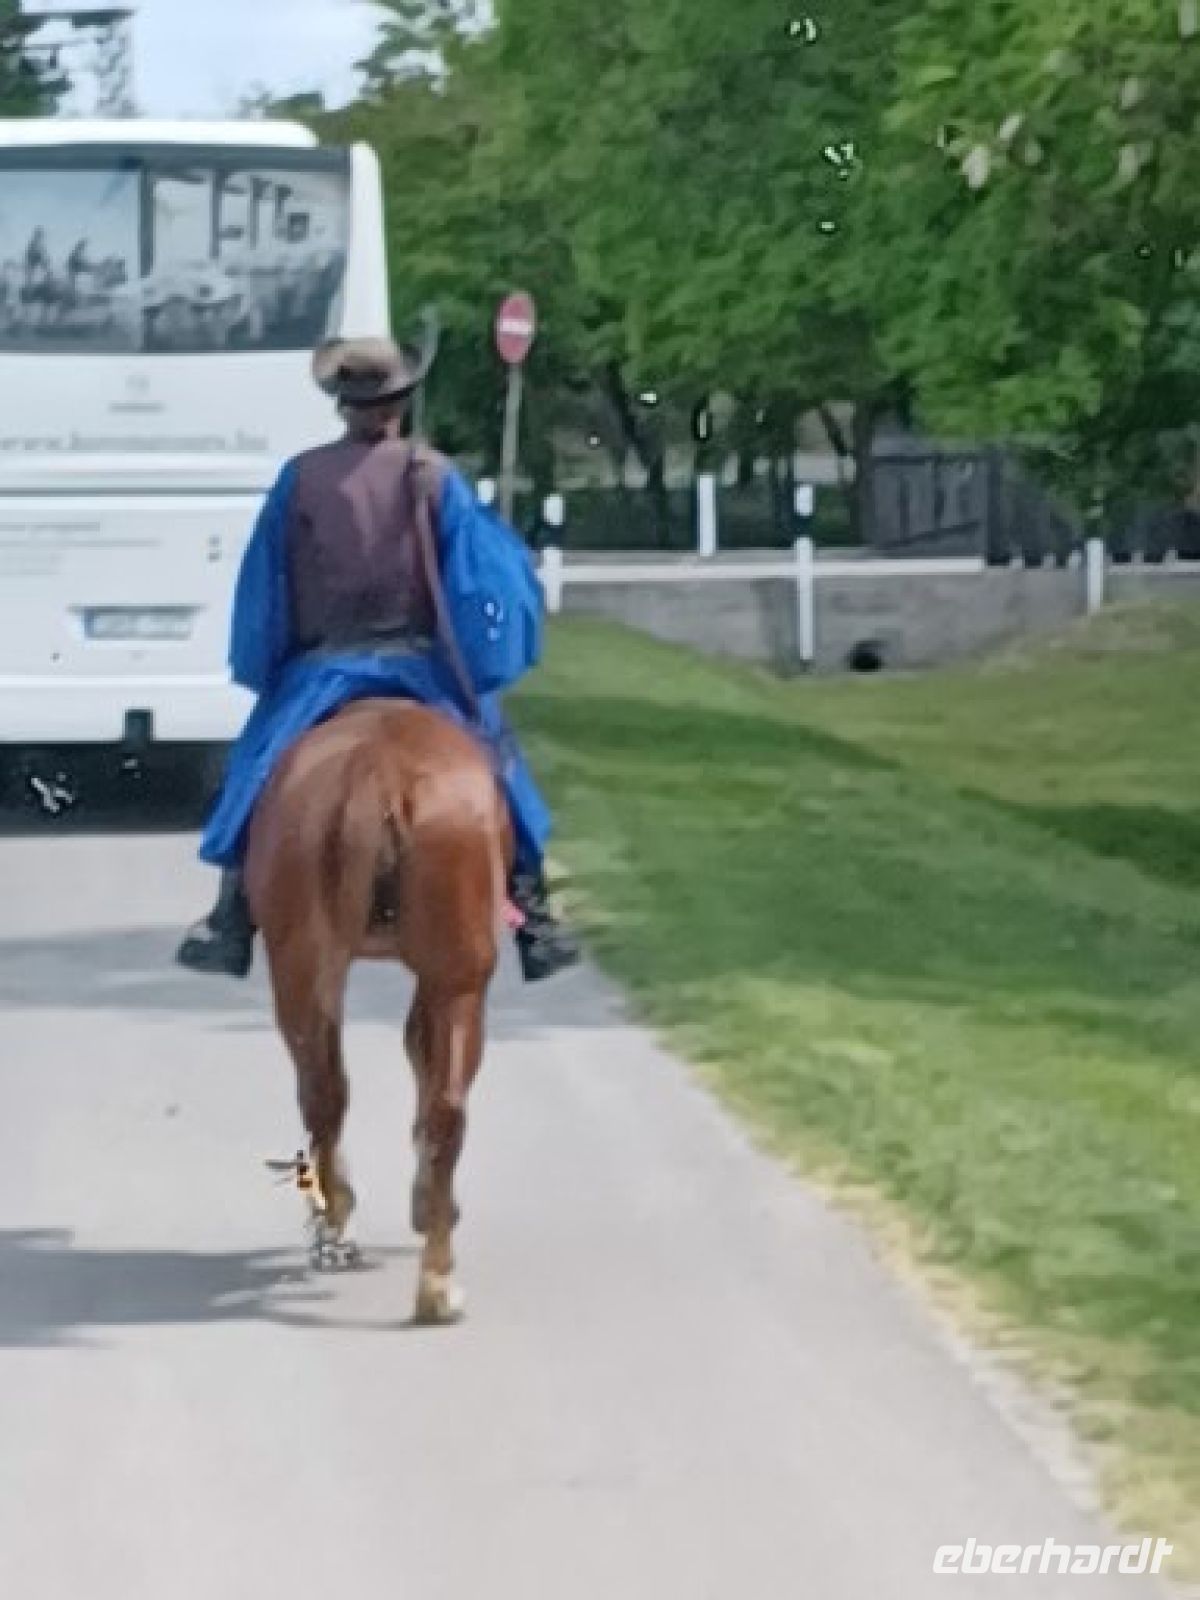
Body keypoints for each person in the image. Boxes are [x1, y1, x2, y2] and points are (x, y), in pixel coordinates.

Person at [176, 335, 580, 984]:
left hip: (321, 672)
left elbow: (265, 588)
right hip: (421, 669)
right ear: (402, 402)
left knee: (256, 770)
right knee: (500, 769)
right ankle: (534, 915)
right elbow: (485, 581)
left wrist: (267, 665)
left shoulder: (300, 479)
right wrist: (482, 660)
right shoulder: (436, 477)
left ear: (342, 405)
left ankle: (230, 917)